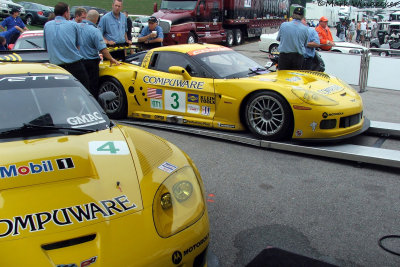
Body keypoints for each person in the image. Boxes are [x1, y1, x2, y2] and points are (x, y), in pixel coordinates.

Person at [44, 2, 89, 90]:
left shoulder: (47, 25)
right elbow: (78, 46)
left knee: (58, 91)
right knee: (84, 89)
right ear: (65, 13)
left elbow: (46, 47)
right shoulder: (73, 25)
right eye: (69, 11)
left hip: (55, 66)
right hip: (74, 65)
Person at [78, 10, 120, 97]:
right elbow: (102, 49)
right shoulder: (95, 31)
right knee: (92, 87)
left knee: (80, 86)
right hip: (91, 63)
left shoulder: (76, 27)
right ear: (97, 19)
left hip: (78, 62)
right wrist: (111, 59)